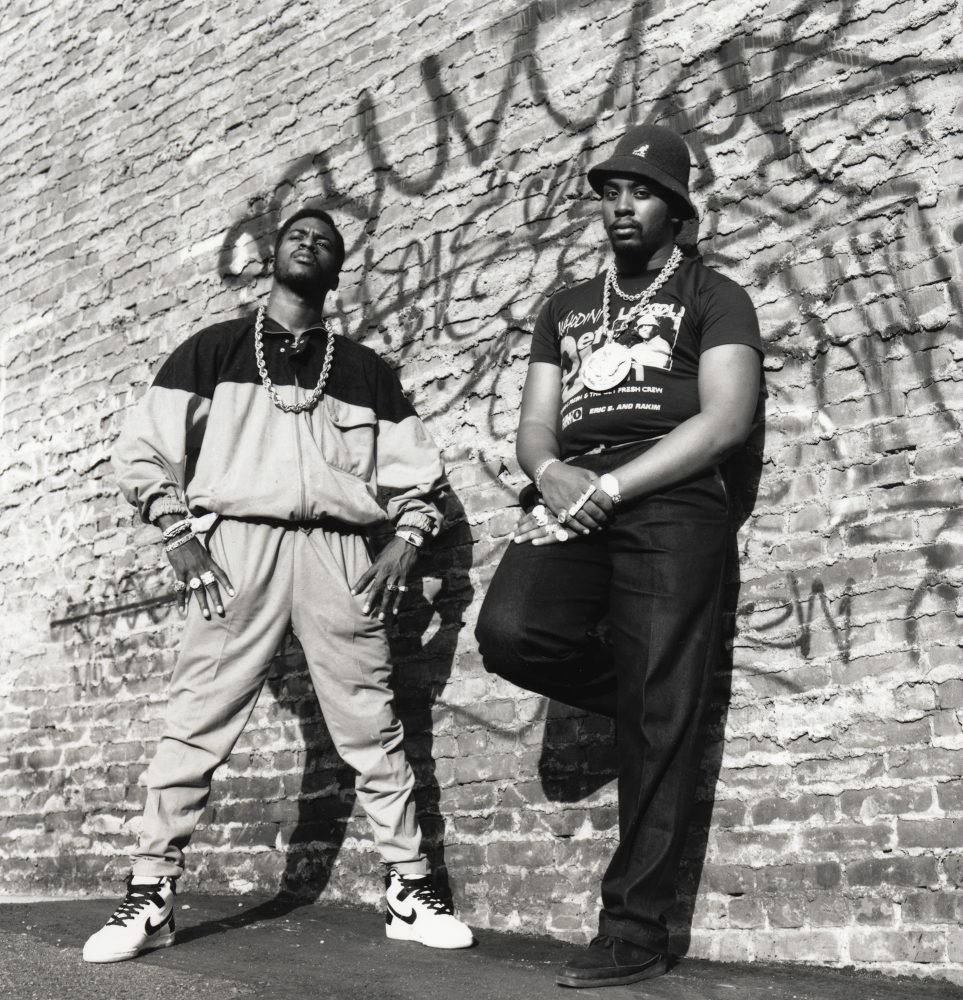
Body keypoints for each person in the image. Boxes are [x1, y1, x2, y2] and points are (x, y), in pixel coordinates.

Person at [83, 206, 473, 963]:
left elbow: (418, 476)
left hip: (337, 554)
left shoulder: (364, 371)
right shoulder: (213, 350)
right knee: (196, 719)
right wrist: (175, 531)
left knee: (374, 724)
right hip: (236, 547)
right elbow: (143, 452)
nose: (309, 242)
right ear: (272, 255)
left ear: (335, 269)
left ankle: (408, 890)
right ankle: (151, 893)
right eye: (298, 233)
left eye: (325, 241)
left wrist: (406, 539)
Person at [475, 124, 763, 988]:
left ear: (675, 209)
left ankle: (633, 932)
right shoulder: (563, 305)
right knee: (513, 632)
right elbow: (533, 424)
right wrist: (555, 472)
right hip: (574, 492)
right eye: (609, 194)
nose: (621, 209)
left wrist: (614, 487)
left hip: (672, 499)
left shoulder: (716, 295)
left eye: (639, 194)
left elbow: (724, 420)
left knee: (660, 706)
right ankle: (648, 704)